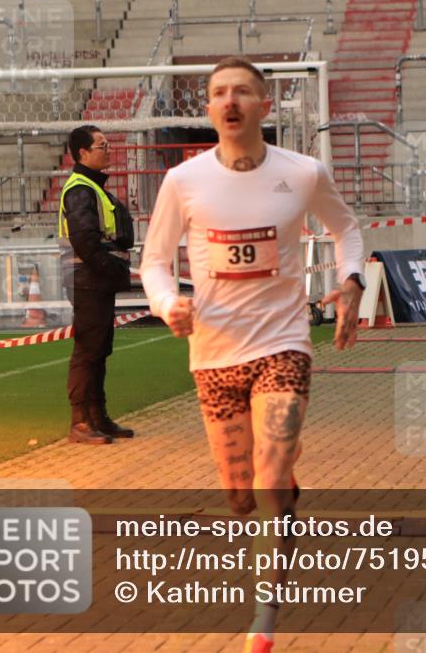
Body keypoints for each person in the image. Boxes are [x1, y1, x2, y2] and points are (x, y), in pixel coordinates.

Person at [140, 56, 365, 653]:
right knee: (243, 498)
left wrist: (352, 283)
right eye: (219, 92)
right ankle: (284, 494)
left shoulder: (304, 172)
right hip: (214, 351)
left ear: (265, 105)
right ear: (209, 109)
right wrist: (169, 304)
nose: (230, 100)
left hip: (283, 343)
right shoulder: (183, 182)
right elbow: (155, 261)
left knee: (266, 480)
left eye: (243, 91)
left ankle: (263, 621)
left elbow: (347, 229)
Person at [59, 125, 136, 445]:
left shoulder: (91, 186)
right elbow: (85, 242)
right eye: (102, 145)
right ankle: (80, 422)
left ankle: (97, 417)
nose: (108, 150)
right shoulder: (80, 189)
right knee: (88, 350)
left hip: (95, 279)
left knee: (99, 349)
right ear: (82, 153)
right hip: (88, 279)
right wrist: (109, 269)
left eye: (108, 144)